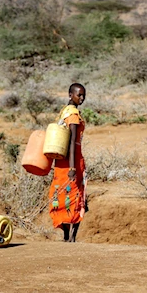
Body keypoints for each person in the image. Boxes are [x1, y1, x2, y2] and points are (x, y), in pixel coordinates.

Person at [48, 83, 87, 242]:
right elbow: (71, 142)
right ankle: (71, 237)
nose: (82, 98)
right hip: (72, 160)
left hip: (61, 161)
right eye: (79, 95)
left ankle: (66, 236)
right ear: (70, 95)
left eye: (84, 95)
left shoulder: (64, 112)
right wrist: (72, 167)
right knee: (76, 196)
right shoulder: (73, 115)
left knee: (61, 194)